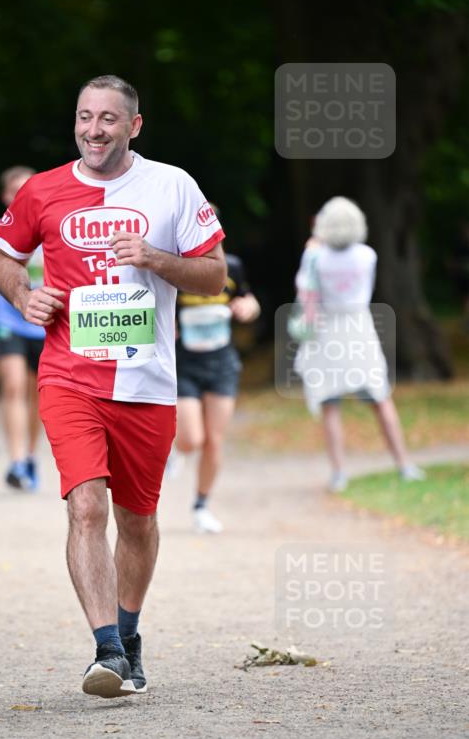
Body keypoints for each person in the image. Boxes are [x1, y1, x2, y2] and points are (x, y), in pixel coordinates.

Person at [0, 75, 226, 697]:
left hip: (147, 383)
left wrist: (155, 258)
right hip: (69, 374)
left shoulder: (172, 186)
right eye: (84, 117)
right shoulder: (43, 190)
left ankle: (129, 630)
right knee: (86, 505)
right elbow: (4, 254)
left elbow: (214, 276)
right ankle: (107, 651)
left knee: (139, 522)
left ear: (134, 126)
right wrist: (23, 295)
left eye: (108, 119)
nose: (93, 130)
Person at [293, 196, 426, 492]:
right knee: (380, 398)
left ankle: (339, 471)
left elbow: (304, 293)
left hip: (327, 331)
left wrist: (312, 249)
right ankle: (403, 463)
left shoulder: (315, 257)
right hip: (359, 328)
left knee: (330, 404)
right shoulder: (367, 255)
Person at [173, 214, 261, 534]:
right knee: (191, 438)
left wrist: (249, 308)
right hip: (185, 363)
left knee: (214, 439)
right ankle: (178, 450)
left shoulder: (232, 266)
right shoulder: (175, 270)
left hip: (222, 361)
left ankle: (201, 506)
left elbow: (247, 299)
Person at [0, 167, 45, 491]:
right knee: (12, 385)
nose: (21, 195)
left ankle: (31, 454)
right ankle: (16, 460)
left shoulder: (53, 228)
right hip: (9, 322)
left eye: (27, 189)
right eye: (15, 190)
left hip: (45, 326)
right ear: (6, 197)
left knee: (38, 395)